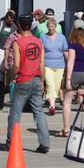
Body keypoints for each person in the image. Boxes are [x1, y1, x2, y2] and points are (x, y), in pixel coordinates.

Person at [6, 14, 51, 153]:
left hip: (23, 79)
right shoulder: (38, 42)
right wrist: (42, 82)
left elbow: (16, 64)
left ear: (18, 26)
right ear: (31, 25)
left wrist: (12, 77)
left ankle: (10, 142)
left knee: (15, 112)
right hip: (36, 79)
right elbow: (42, 64)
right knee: (38, 112)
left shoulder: (17, 42)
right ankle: (44, 142)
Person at [59, 26, 84, 136]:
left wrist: (68, 79)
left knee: (67, 102)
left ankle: (66, 130)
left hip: (75, 73)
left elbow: (70, 61)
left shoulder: (73, 43)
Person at [40, 15, 69, 117]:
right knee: (50, 85)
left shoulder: (61, 37)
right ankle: (52, 106)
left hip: (59, 65)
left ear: (55, 27)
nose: (51, 28)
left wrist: (70, 62)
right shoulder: (43, 38)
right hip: (47, 65)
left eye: (52, 26)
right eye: (49, 27)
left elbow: (65, 51)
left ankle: (51, 103)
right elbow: (40, 52)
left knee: (56, 86)